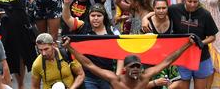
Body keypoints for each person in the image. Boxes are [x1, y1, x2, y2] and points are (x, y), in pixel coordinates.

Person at [64, 36, 193, 89]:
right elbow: (89, 64)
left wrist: (187, 44)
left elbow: (167, 61)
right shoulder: (115, 79)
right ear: (125, 68)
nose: (136, 69)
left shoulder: (145, 77)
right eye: (133, 66)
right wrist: (69, 47)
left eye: (138, 66)